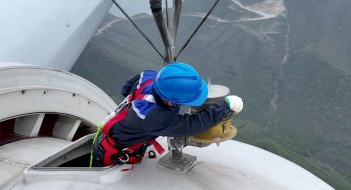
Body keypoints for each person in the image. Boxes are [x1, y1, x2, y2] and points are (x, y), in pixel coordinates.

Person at [91, 62, 243, 167]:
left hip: (111, 133)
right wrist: (226, 106)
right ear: (171, 101)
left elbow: (126, 89)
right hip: (112, 155)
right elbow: (193, 125)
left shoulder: (150, 76)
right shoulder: (153, 118)